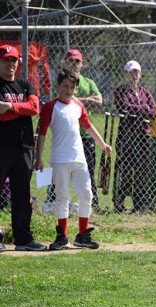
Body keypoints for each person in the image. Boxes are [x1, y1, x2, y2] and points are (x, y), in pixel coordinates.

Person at [35, 69, 112, 250]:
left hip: (79, 159)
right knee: (62, 197)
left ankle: (82, 235)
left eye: (72, 87)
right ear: (58, 86)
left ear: (76, 89)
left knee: (86, 194)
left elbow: (88, 126)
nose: (68, 90)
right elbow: (42, 133)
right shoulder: (51, 107)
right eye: (65, 86)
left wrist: (103, 144)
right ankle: (62, 236)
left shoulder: (78, 105)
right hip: (60, 160)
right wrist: (39, 157)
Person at [43, 49, 104, 212]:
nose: (74, 64)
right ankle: (50, 199)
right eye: (70, 60)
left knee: (88, 169)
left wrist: (77, 99)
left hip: (84, 134)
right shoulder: (62, 79)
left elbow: (99, 101)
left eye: (77, 61)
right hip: (64, 136)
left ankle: (93, 203)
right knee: (57, 170)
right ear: (65, 62)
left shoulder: (88, 82)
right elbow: (64, 98)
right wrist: (86, 100)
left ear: (82, 64)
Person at [0, 44, 46, 251]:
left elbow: (35, 108)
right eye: (6, 60)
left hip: (24, 148)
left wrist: (10, 107)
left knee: (22, 195)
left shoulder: (25, 84)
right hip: (2, 148)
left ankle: (23, 239)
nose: (10, 64)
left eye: (13, 60)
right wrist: (21, 109)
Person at [112, 60, 156, 213]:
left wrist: (139, 110)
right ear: (126, 74)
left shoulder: (145, 91)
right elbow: (124, 107)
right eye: (131, 72)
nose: (134, 75)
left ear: (140, 74)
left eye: (136, 72)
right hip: (127, 135)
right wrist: (145, 108)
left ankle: (139, 205)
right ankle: (119, 204)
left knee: (142, 170)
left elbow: (154, 111)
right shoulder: (121, 91)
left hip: (143, 134)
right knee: (125, 168)